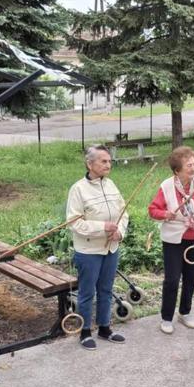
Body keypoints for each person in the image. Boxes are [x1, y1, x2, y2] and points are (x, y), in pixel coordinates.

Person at [67, 145, 128, 350]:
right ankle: (84, 332)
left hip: (111, 248)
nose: (108, 165)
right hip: (88, 251)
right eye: (103, 161)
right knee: (86, 292)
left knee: (106, 289)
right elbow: (74, 223)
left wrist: (119, 231)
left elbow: (123, 212)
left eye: (109, 161)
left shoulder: (111, 185)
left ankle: (104, 328)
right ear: (89, 163)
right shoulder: (78, 189)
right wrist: (102, 227)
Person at [148, 146, 194, 335]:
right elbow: (153, 210)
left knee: (191, 278)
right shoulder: (167, 186)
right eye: (188, 166)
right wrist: (165, 214)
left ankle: (185, 312)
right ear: (177, 170)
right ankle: (167, 317)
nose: (193, 168)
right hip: (174, 241)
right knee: (172, 279)